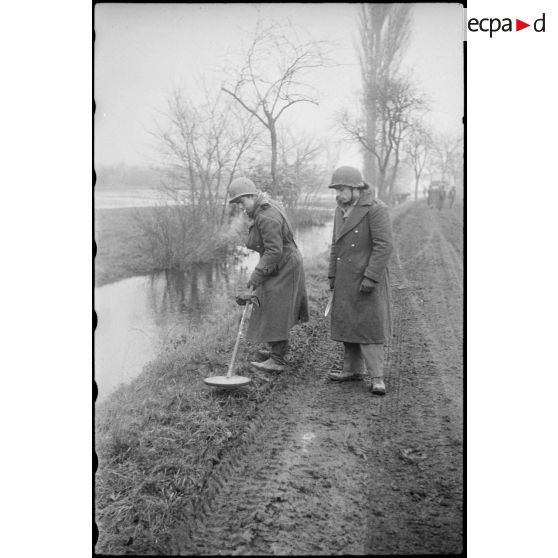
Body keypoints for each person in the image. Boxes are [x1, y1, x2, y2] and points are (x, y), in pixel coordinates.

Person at [229, 177, 309, 372]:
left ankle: (277, 359)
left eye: (242, 202)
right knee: (269, 303)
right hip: (280, 262)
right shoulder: (264, 208)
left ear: (251, 196)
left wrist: (256, 277)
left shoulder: (265, 216)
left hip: (284, 265)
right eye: (238, 203)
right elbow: (270, 251)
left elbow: (274, 252)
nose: (241, 207)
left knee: (276, 307)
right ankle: (275, 349)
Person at [327, 166, 393, 395]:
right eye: (336, 189)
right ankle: (352, 369)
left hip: (366, 278)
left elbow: (384, 246)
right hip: (346, 278)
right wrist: (332, 274)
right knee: (348, 323)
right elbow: (336, 244)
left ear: (357, 188)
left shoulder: (376, 209)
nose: (338, 193)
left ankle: (377, 377)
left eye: (342, 189)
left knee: (369, 328)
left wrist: (371, 277)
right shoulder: (340, 210)